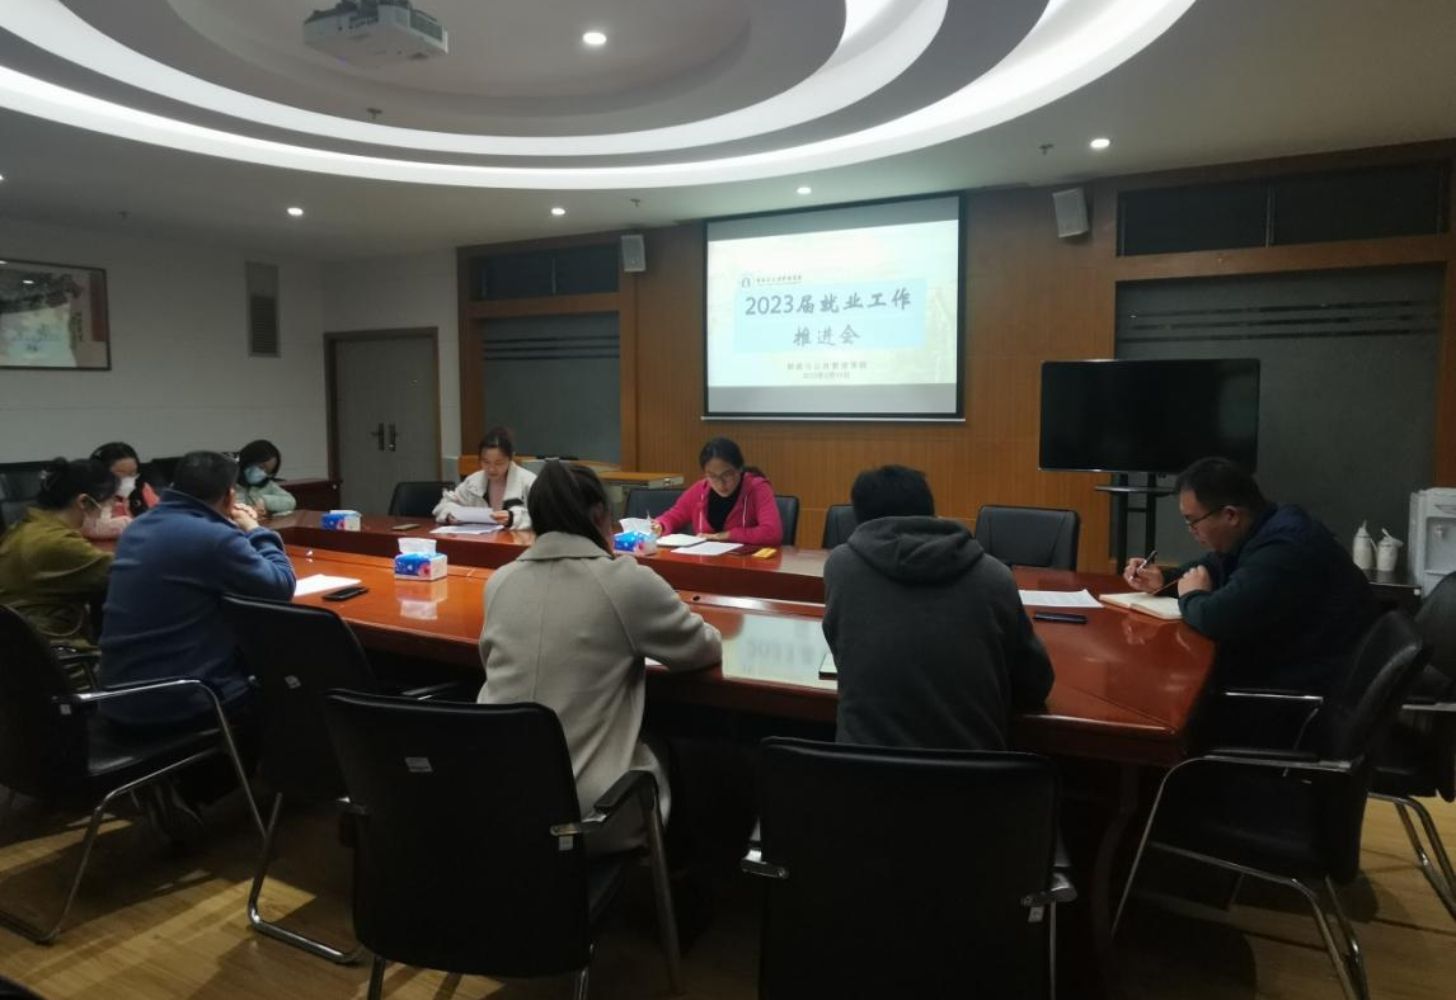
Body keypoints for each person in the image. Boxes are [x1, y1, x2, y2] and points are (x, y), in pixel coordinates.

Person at [477, 460, 721, 852]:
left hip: (501, 801)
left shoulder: (499, 582)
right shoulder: (623, 582)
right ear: (598, 515)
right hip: (590, 815)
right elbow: (702, 648)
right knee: (686, 748)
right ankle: (678, 876)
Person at [824, 465, 1054, 750]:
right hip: (974, 773)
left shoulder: (841, 568)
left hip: (864, 772)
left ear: (859, 519)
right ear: (930, 511)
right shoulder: (995, 576)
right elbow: (1035, 685)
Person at [1122, 456, 1377, 694]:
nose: (1191, 530)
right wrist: (1165, 578)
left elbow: (1216, 619)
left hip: (1308, 685)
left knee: (1174, 685)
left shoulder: (1283, 549)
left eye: (1193, 521)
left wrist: (1192, 595)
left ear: (1230, 515)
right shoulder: (1264, 526)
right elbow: (1214, 566)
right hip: (1292, 662)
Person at [99, 450, 295, 729]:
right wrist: (255, 529)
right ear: (229, 496)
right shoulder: (213, 537)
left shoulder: (137, 527)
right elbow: (281, 586)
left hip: (117, 696)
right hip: (179, 701)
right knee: (291, 684)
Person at [0, 457, 115, 648]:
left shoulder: (29, 529)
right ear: (84, 501)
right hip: (54, 654)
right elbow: (127, 574)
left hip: (24, 649)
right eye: (108, 504)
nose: (109, 512)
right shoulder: (56, 543)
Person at [653, 437, 782, 546]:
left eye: (727, 475)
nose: (720, 483)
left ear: (739, 469)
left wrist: (726, 535)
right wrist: (661, 525)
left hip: (746, 563)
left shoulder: (757, 488)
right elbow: (673, 516)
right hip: (705, 561)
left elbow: (772, 533)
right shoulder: (700, 490)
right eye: (712, 476)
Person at [434, 426, 536, 529]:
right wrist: (450, 514)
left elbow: (542, 517)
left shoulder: (528, 482)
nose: (491, 469)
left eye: (499, 463)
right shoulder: (473, 482)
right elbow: (444, 505)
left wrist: (513, 518)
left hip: (517, 538)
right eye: (486, 462)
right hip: (480, 537)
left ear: (511, 458)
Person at [82, 441, 160, 540]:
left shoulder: (142, 488)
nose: (128, 479)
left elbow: (161, 515)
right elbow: (91, 528)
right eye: (120, 473)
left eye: (133, 473)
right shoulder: (86, 496)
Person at [234, 439, 297, 516]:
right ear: (248, 460)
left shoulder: (267, 485)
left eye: (268, 472)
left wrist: (265, 501)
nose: (262, 474)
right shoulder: (228, 482)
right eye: (261, 467)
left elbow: (291, 502)